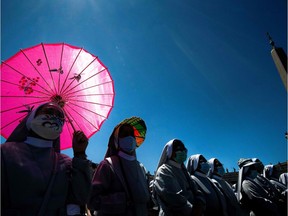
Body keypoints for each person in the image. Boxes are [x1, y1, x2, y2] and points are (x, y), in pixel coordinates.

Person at [1, 102, 92, 216]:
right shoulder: (4, 152)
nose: (54, 117)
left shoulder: (67, 162)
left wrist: (80, 154)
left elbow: (81, 197)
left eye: (59, 116)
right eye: (48, 112)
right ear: (32, 118)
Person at [88, 117, 151, 216]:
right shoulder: (107, 165)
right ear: (117, 139)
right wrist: (122, 201)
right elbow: (92, 200)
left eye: (132, 134)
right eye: (125, 134)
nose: (129, 137)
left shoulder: (141, 168)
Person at [153, 139, 206, 216]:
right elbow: (173, 197)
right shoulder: (164, 170)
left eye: (184, 150)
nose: (183, 152)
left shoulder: (185, 172)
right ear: (170, 152)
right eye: (179, 149)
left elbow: (197, 191)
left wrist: (200, 202)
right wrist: (193, 211)